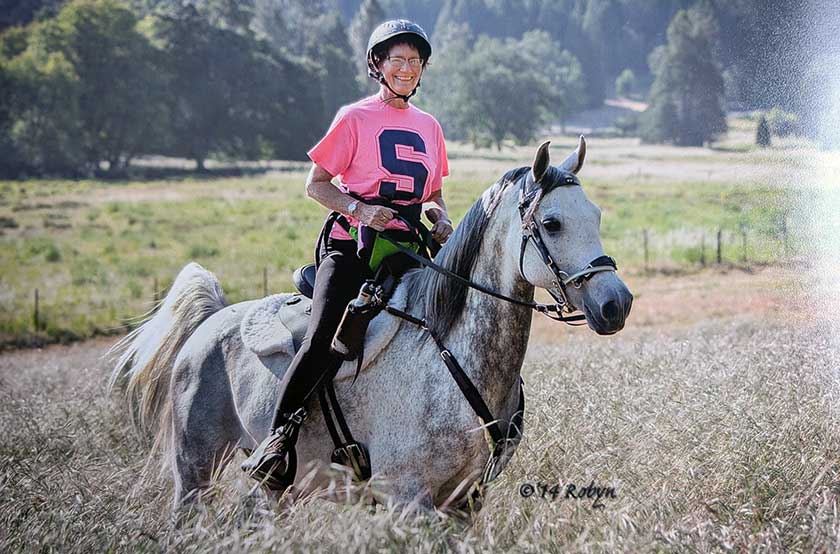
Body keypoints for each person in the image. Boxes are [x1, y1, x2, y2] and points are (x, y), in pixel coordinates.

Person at [242, 19, 453, 489]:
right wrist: (360, 209)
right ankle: (276, 443)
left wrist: (439, 219)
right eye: (396, 59)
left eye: (414, 62)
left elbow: (433, 192)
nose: (406, 68)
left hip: (406, 250)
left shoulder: (429, 126)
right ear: (377, 65)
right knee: (321, 339)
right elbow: (315, 185)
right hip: (350, 246)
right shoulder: (354, 117)